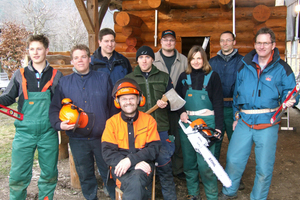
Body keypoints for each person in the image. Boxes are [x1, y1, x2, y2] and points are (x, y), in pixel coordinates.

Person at [218, 27, 298, 200]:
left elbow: (291, 91)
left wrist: (291, 100)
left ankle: (258, 197)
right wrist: (235, 116)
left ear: (273, 45)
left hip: (268, 122)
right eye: (259, 43)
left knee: (264, 167)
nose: (262, 46)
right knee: (233, 159)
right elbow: (237, 93)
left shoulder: (282, 68)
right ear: (254, 44)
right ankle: (229, 191)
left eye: (266, 43)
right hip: (244, 120)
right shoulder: (244, 66)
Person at [49, 44, 116, 200]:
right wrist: (59, 125)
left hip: (102, 137)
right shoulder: (64, 83)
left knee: (109, 173)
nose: (80, 60)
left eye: (83, 57)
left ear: (89, 59)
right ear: (72, 61)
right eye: (76, 57)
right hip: (77, 139)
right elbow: (54, 109)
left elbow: (113, 107)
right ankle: (91, 197)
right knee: (85, 175)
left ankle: (114, 196)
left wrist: (113, 130)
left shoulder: (103, 78)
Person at [0, 34, 63, 200]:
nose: (35, 52)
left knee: (49, 174)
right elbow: (7, 97)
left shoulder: (56, 75)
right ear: (28, 51)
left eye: (39, 49)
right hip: (24, 133)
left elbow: (62, 103)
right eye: (32, 49)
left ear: (46, 50)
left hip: (48, 133)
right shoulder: (19, 74)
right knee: (18, 174)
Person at [126, 46, 177, 200]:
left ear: (152, 59)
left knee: (165, 167)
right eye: (140, 58)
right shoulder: (129, 79)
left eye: (147, 57)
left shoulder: (164, 77)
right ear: (137, 60)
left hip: (160, 128)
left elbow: (174, 100)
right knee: (144, 169)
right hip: (140, 130)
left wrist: (166, 104)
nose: (144, 60)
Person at [176, 45, 223, 200]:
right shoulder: (184, 76)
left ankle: (211, 196)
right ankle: (193, 194)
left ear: (204, 59)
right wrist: (181, 111)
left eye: (199, 58)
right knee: (189, 162)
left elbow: (218, 103)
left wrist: (219, 127)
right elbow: (176, 99)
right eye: (193, 58)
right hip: (188, 123)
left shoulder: (213, 76)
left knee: (206, 164)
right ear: (189, 60)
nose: (196, 62)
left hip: (207, 123)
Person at [101, 78, 161, 200]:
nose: (128, 102)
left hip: (144, 166)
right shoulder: (112, 122)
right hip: (119, 166)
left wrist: (130, 160)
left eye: (132, 98)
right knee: (136, 183)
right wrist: (133, 163)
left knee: (137, 179)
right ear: (118, 102)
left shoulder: (149, 120)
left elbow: (154, 149)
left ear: (139, 100)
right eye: (124, 99)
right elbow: (108, 153)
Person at [153, 29, 188, 179]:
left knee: (178, 138)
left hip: (177, 106)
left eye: (171, 40)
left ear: (175, 42)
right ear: (160, 42)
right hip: (158, 106)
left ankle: (178, 169)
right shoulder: (152, 59)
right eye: (165, 39)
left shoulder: (184, 60)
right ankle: (160, 168)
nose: (168, 42)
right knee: (159, 138)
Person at [208, 31, 243, 161]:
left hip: (234, 107)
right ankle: (213, 172)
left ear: (234, 42)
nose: (225, 43)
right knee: (214, 139)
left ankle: (234, 174)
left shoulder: (242, 62)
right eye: (222, 40)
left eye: (228, 40)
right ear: (220, 43)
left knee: (236, 141)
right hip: (216, 107)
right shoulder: (212, 62)